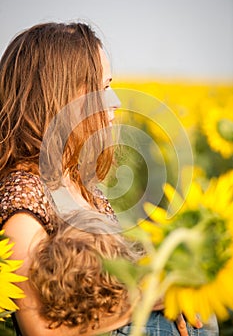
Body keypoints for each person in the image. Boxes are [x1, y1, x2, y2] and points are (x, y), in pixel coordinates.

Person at [0, 21, 218, 335]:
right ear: (59, 97)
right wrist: (149, 300)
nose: (114, 100)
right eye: (101, 88)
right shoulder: (24, 197)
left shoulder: (78, 183)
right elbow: (43, 329)